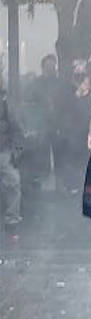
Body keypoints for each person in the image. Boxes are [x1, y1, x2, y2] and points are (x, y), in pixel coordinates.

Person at [0, 76, 23, 246]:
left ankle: (12, 221)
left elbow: (16, 126)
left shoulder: (5, 104)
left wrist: (17, 148)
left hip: (4, 149)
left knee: (13, 183)